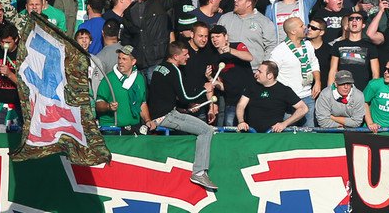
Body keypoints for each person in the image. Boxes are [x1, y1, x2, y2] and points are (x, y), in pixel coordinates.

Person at [145, 41, 218, 190]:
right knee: (206, 130)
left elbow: (165, 95)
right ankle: (199, 172)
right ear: (175, 56)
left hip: (161, 114)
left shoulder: (159, 67)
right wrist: (205, 89)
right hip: (167, 116)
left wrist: (184, 108)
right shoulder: (175, 70)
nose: (188, 56)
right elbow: (186, 97)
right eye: (185, 54)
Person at [235, 59, 308, 132]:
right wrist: (241, 121)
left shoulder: (284, 90)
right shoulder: (252, 86)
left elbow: (303, 108)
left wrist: (284, 124)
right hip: (251, 133)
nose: (256, 74)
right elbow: (241, 105)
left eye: (260, 72)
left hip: (272, 134)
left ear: (270, 75)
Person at [94, 44, 149, 132]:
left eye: (124, 59)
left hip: (133, 128)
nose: (120, 62)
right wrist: (108, 106)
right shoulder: (109, 79)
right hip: (112, 129)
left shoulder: (139, 79)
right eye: (119, 58)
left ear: (133, 62)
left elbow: (142, 103)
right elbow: (98, 104)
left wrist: (147, 120)